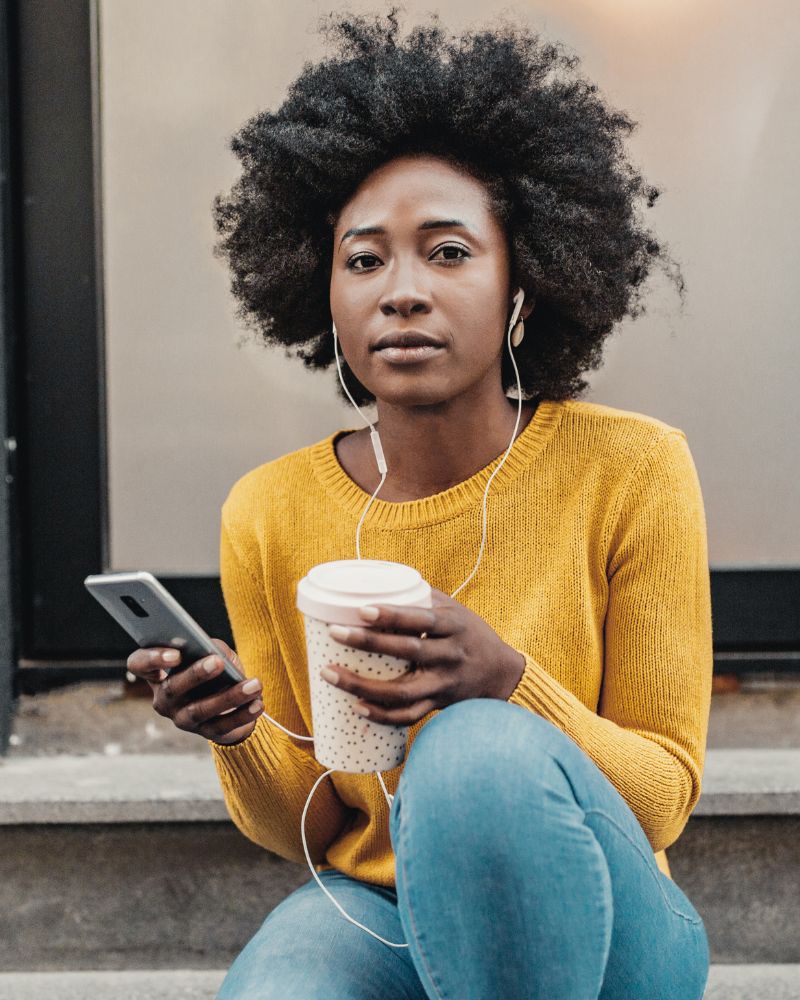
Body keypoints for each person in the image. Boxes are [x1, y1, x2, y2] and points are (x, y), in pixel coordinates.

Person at [126, 9, 712, 998]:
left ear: (521, 288)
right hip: (382, 910)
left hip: (614, 924)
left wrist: (502, 682)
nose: (400, 292)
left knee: (474, 754)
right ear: (323, 295)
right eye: (364, 260)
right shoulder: (267, 510)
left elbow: (658, 802)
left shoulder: (632, 470)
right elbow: (308, 825)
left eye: (446, 252)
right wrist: (239, 733)